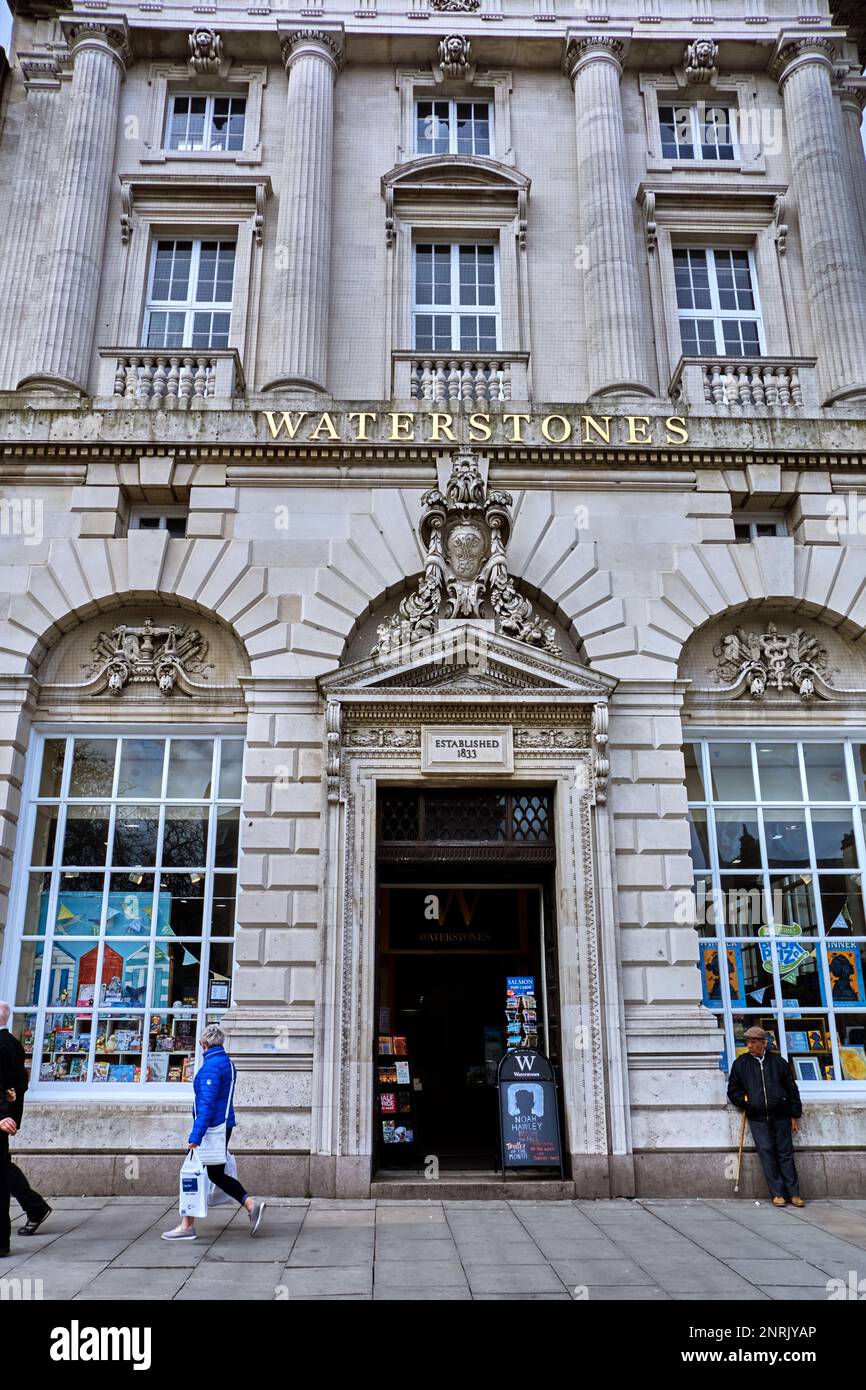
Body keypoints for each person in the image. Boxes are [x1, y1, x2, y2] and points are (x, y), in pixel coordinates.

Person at [161, 1025, 265, 1240]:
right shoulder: (227, 1063)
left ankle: (187, 1226)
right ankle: (250, 1205)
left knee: (192, 1174)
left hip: (211, 1129)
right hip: (222, 1125)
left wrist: (195, 1136)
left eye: (201, 1043)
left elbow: (207, 1105)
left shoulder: (211, 1068)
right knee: (215, 1174)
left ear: (204, 1043)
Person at [727, 1025, 805, 1207]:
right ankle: (777, 1193)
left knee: (785, 1154)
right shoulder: (741, 1064)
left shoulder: (778, 1062)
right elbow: (733, 1090)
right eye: (747, 1042)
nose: (750, 1046)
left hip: (781, 1116)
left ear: (764, 1043)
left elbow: (792, 1089)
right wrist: (747, 1102)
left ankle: (794, 1193)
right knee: (767, 1154)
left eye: (753, 1042)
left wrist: (794, 1115)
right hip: (757, 1117)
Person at [0, 1001, 52, 1235]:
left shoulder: (4, 1044)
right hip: (7, 1115)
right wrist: (12, 1098)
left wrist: (4, 1109)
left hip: (3, 1118)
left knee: (3, 1167)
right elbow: (21, 1080)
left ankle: (35, 1206)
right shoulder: (14, 1043)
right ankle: (35, 1206)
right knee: (4, 1166)